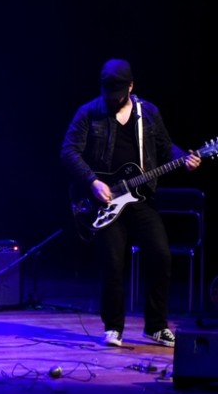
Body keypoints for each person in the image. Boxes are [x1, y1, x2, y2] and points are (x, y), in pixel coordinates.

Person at [61, 58, 201, 348]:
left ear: (131, 86)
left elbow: (165, 148)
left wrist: (184, 158)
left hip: (141, 199)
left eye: (118, 92)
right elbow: (68, 151)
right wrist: (92, 182)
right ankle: (113, 327)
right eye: (108, 92)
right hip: (105, 200)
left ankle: (156, 327)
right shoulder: (89, 112)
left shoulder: (148, 112)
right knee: (113, 262)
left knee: (161, 256)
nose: (113, 99)